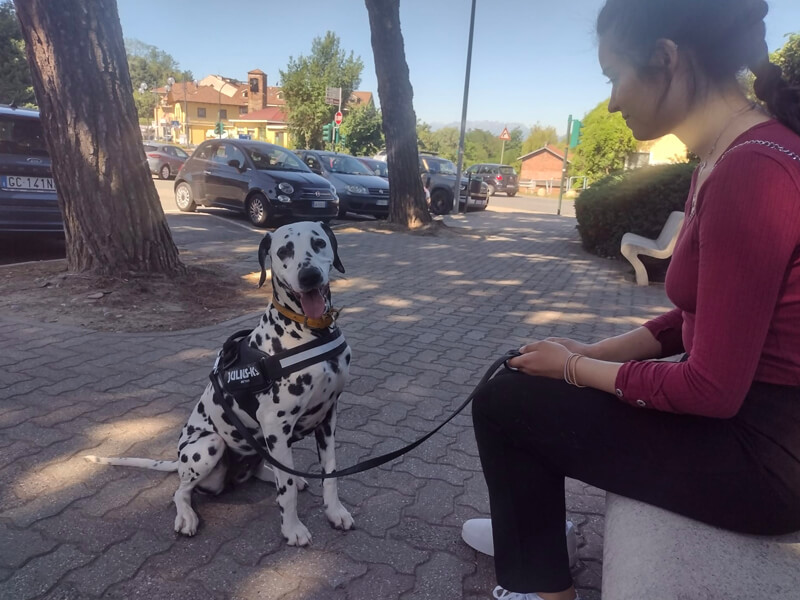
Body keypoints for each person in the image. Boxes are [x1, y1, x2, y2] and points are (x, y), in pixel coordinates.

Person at [466, 0, 800, 599]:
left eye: (614, 76)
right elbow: (693, 314)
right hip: (754, 430)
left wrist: (576, 369)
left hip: (765, 461)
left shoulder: (752, 174)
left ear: (666, 58)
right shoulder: (724, 155)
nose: (614, 101)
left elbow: (710, 390)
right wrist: (586, 352)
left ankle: (540, 586)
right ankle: (534, 534)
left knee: (504, 404)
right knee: (527, 381)